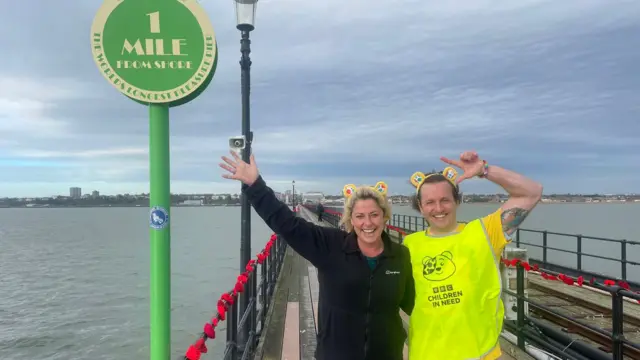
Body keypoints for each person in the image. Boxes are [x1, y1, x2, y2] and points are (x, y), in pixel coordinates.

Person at [219, 151, 415, 360]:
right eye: (360, 216)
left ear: (385, 217)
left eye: (374, 215)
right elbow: (288, 225)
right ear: (351, 220)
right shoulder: (331, 246)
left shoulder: (400, 255)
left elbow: (415, 303)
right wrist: (255, 185)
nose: (368, 223)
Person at [403, 150, 543, 360]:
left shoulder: (485, 233)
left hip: (480, 355)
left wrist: (484, 170)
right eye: (430, 202)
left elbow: (531, 192)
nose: (438, 208)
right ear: (420, 207)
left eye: (445, 200)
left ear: (457, 201)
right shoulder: (407, 245)